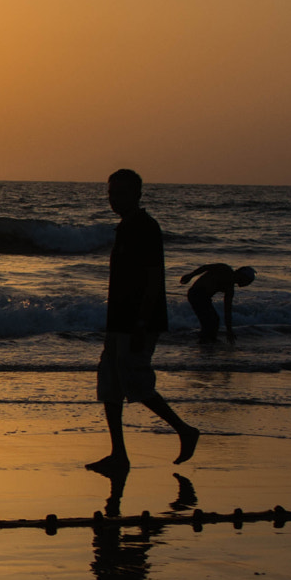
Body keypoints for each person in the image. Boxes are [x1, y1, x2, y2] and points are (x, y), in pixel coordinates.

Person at [89, 169, 200, 473]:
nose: (114, 199)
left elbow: (154, 278)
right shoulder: (125, 227)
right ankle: (118, 455)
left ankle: (184, 430)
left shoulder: (145, 227)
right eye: (111, 193)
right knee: (110, 384)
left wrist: (141, 323)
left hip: (138, 321)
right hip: (119, 319)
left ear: (137, 195)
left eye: (120, 193)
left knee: (136, 382)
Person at [179, 263, 255, 340]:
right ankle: (205, 340)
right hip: (196, 294)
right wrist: (190, 275)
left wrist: (229, 330)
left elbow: (227, 310)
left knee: (213, 320)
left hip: (205, 298)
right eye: (248, 281)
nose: (248, 284)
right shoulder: (224, 269)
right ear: (242, 276)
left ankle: (208, 340)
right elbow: (205, 267)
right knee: (210, 321)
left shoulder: (229, 289)